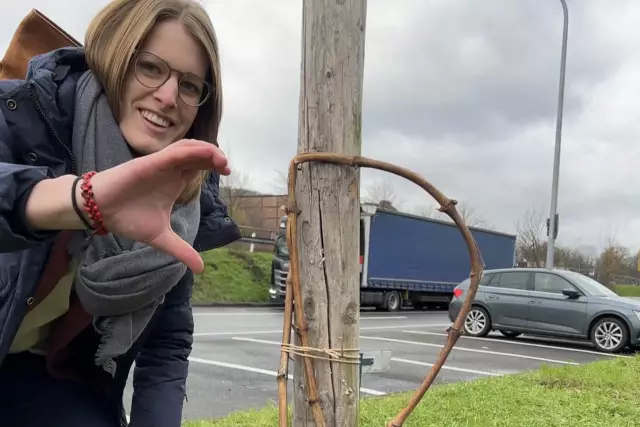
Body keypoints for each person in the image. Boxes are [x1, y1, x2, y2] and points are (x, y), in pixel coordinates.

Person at [0, 1, 242, 426]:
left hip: (53, 378)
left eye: (189, 85)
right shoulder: (23, 114)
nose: (168, 97)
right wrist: (81, 200)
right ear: (115, 59)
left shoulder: (185, 200)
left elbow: (168, 340)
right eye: (150, 68)